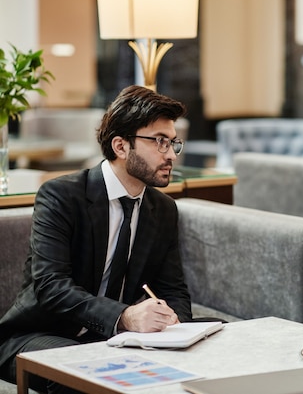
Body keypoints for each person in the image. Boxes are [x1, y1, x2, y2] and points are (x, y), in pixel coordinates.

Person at [0, 85, 192, 393]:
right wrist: (125, 316)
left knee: (218, 338)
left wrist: (173, 324)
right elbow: (51, 286)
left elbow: (174, 289)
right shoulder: (61, 195)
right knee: (88, 375)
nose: (170, 154)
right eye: (159, 142)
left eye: (173, 143)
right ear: (120, 146)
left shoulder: (163, 208)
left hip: (111, 338)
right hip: (38, 335)